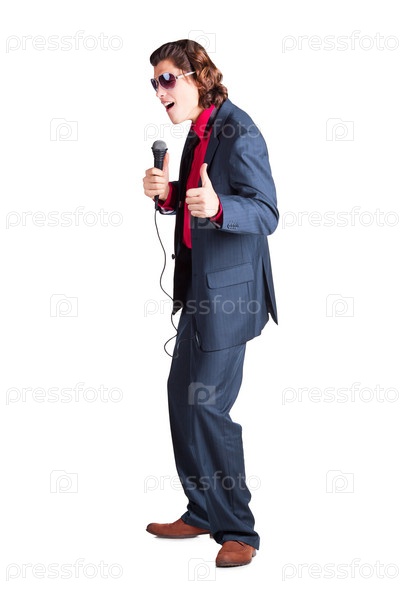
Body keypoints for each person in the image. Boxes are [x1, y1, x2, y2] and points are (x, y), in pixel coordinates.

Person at [143, 39, 278, 568]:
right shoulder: (200, 131)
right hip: (198, 288)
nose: (159, 92)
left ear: (198, 76)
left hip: (229, 295)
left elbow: (265, 211)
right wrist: (169, 194)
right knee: (181, 397)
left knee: (206, 405)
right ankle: (202, 510)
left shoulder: (239, 129)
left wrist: (220, 206)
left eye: (167, 79)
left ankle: (238, 529)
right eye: (154, 82)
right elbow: (201, 194)